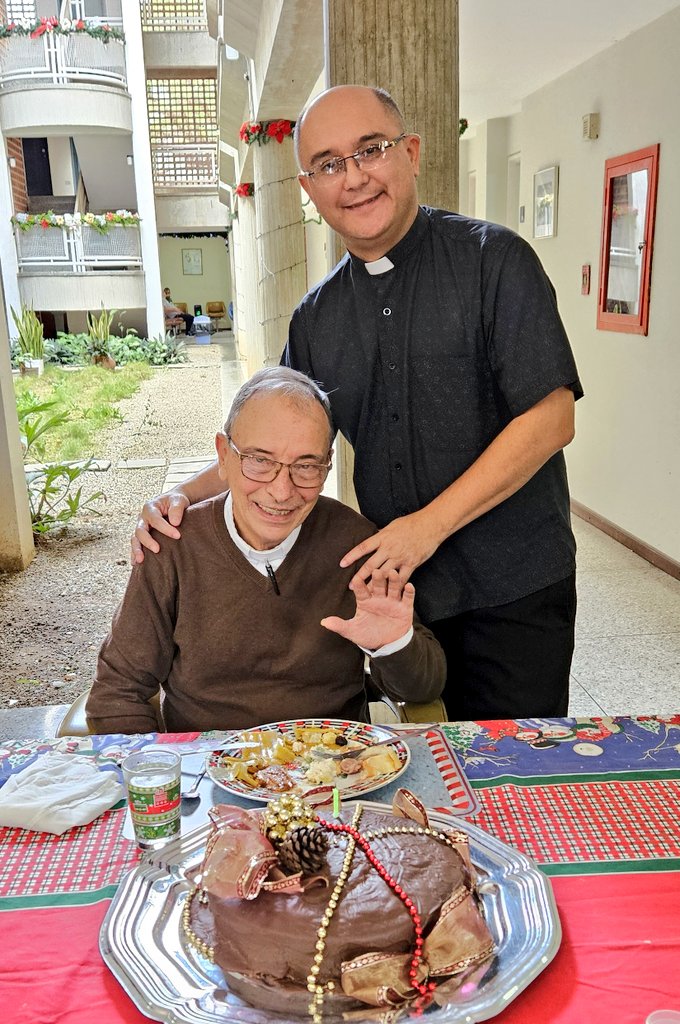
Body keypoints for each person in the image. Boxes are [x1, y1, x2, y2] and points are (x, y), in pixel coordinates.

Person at [132, 85, 582, 721]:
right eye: (328, 164)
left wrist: (426, 527)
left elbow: (551, 416)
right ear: (309, 190)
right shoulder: (317, 318)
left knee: (511, 779)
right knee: (420, 769)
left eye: (371, 150)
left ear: (412, 153)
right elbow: (270, 439)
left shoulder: (493, 261)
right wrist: (180, 497)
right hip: (399, 590)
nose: (354, 178)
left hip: (513, 584)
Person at [87, 367, 445, 734]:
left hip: (332, 770)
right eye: (259, 460)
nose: (281, 491)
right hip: (205, 769)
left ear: (327, 466)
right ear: (224, 455)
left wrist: (393, 644)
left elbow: (423, 688)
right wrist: (161, 776)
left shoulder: (355, 542)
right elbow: (118, 694)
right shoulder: (173, 546)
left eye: (306, 466)